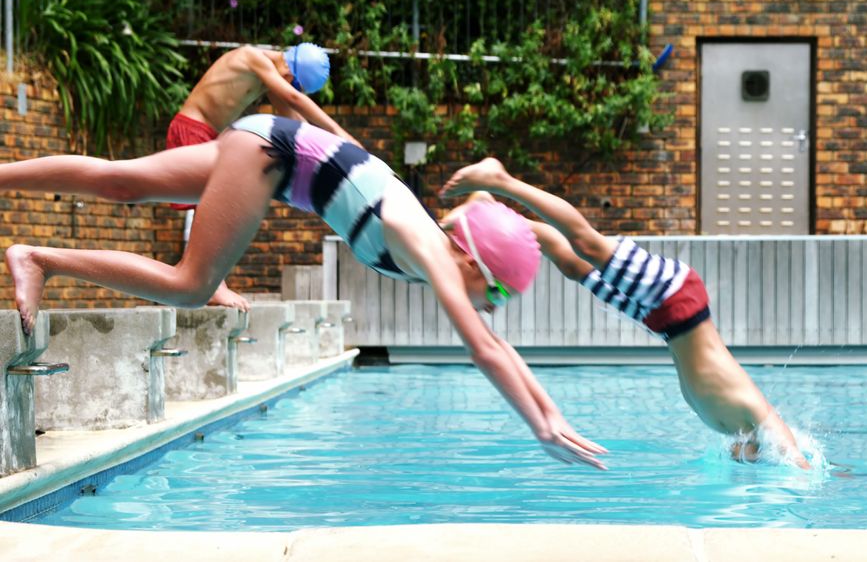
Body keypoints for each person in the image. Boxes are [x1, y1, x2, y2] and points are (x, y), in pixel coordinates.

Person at [1, 115, 606, 470]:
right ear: (472, 261)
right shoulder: (428, 248)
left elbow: (502, 304)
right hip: (273, 155)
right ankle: (43, 259)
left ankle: (23, 229)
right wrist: (543, 423)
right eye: (494, 290)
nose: (490, 305)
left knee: (123, 181)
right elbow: (485, 347)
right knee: (191, 286)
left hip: (274, 143)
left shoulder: (452, 240)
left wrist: (514, 205)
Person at [440, 158, 810, 469]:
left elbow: (744, 452)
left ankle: (488, 208)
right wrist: (805, 469)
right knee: (587, 243)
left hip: (665, 320)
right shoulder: (768, 429)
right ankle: (500, 180)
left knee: (572, 264)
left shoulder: (741, 434)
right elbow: (793, 455)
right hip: (677, 299)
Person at [166, 42, 362, 310]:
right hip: (193, 127)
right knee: (206, 201)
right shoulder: (252, 57)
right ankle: (209, 282)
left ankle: (204, 277)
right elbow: (294, 100)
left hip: (207, 133)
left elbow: (296, 124)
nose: (292, 90)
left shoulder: (272, 78)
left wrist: (329, 153)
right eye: (295, 86)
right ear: (291, 77)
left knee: (214, 200)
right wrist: (343, 135)